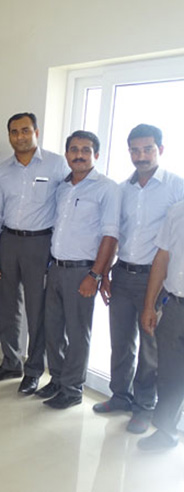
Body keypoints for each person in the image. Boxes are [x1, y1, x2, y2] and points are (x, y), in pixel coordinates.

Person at [94, 124, 184, 433]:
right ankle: (120, 396)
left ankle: (144, 407)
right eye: (135, 150)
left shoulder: (176, 187)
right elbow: (114, 232)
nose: (141, 155)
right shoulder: (122, 189)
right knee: (121, 342)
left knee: (150, 348)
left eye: (148, 149)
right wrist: (105, 272)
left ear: (161, 149)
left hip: (155, 279)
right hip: (123, 273)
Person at [0, 112, 69, 394]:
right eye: (14, 131)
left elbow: (66, 209)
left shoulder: (57, 165)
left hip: (40, 244)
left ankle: (33, 370)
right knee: (8, 307)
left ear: (36, 132)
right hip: (8, 241)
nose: (20, 136)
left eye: (25, 130)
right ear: (9, 135)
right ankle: (10, 362)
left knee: (37, 310)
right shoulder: (3, 170)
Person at [38, 131, 120, 409]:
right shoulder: (63, 187)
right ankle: (58, 379)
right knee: (53, 329)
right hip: (57, 268)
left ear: (96, 155)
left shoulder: (106, 188)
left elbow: (110, 236)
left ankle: (72, 389)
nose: (79, 154)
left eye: (86, 150)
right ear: (67, 154)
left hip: (82, 272)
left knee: (77, 332)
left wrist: (95, 275)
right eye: (74, 149)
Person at [138, 201, 184, 451]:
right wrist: (149, 306)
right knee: (169, 374)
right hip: (175, 306)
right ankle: (166, 432)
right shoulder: (178, 210)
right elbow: (162, 257)